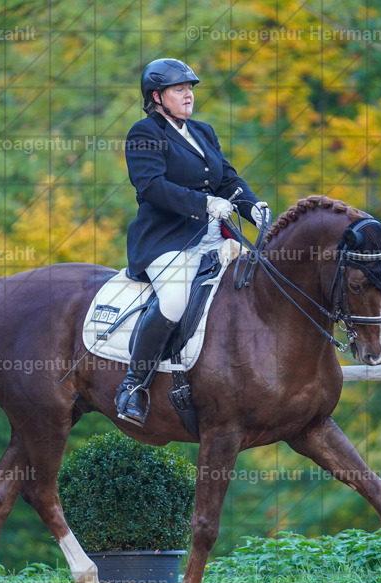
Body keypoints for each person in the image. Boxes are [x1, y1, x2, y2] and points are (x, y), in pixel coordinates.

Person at [115, 57, 270, 426]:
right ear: (157, 96)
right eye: (179, 89)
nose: (188, 95)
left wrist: (253, 207)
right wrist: (203, 203)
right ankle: (133, 386)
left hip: (216, 240)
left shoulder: (203, 131)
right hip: (167, 243)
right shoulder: (144, 133)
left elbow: (227, 180)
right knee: (173, 300)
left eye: (190, 89)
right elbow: (151, 186)